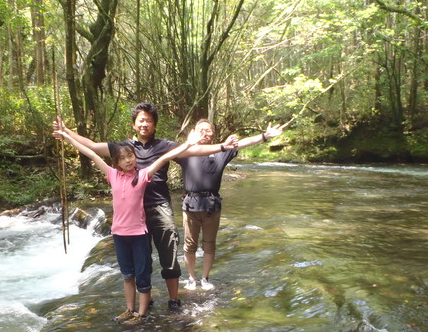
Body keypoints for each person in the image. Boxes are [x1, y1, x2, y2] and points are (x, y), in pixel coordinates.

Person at [53, 103, 236, 311]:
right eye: (141, 119)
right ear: (134, 123)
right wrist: (66, 131)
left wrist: (222, 147)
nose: (145, 124)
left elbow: (194, 150)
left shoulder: (164, 146)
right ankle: (144, 300)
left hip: (159, 206)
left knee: (169, 254)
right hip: (133, 214)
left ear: (154, 125)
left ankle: (173, 299)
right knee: (141, 258)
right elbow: (94, 148)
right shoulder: (124, 149)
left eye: (149, 120)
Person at [179, 119, 284, 291]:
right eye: (201, 130)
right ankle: (191, 278)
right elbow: (167, 153)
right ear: (195, 132)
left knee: (209, 244)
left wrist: (265, 136)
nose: (206, 133)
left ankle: (205, 278)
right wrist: (187, 143)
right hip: (190, 205)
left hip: (212, 205)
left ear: (214, 133)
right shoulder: (187, 152)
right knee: (190, 245)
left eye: (209, 130)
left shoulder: (222, 151)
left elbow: (243, 143)